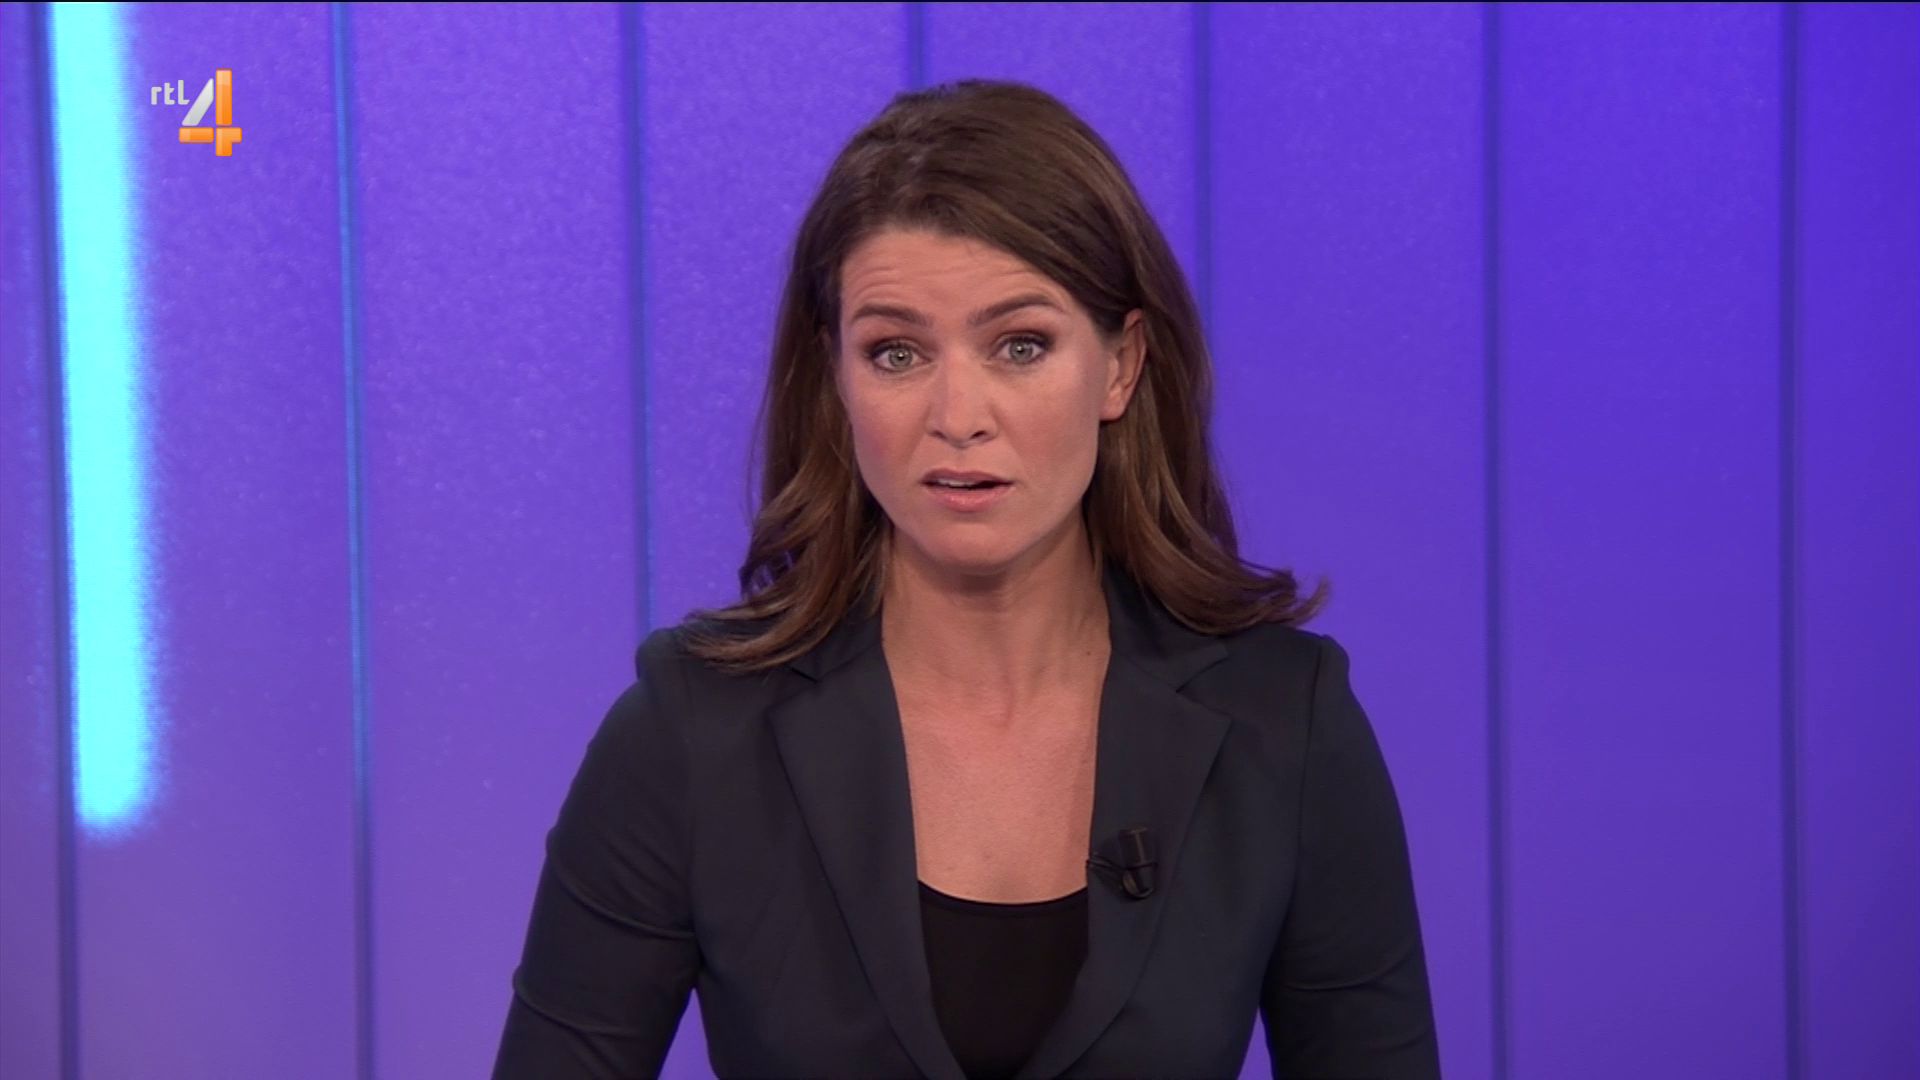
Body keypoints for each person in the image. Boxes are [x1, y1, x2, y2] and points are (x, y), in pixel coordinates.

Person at [492, 79, 1439, 1079]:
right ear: (836, 375)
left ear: (1121, 366)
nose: (958, 416)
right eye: (896, 352)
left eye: (1020, 346)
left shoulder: (1286, 726)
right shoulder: (690, 734)